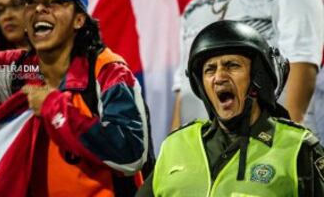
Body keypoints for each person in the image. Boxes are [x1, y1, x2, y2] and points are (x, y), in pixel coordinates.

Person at [0, 0, 152, 196]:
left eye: (54, 1)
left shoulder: (108, 71)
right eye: (31, 3)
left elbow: (131, 155)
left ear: (79, 20)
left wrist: (54, 108)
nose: (40, 9)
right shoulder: (19, 70)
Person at [137, 20, 324, 197]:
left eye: (232, 65)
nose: (219, 77)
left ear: (258, 77)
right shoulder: (174, 145)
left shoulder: (298, 147)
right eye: (210, 69)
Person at [171, 0, 324, 129]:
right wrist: (174, 144)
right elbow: (185, 85)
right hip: (200, 148)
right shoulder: (195, 6)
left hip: (266, 144)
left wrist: (285, 140)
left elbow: (301, 61)